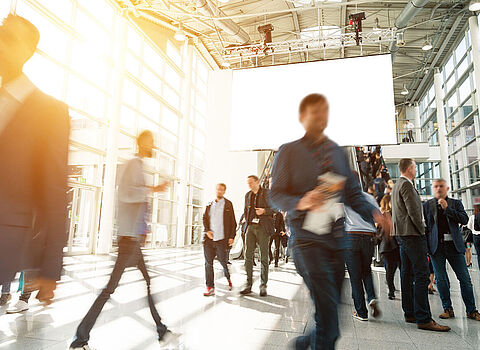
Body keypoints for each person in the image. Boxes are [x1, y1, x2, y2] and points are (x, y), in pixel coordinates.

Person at [269, 93, 391, 350]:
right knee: (330, 323)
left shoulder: (336, 151)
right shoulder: (288, 151)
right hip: (306, 242)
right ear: (302, 117)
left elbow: (353, 193)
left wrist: (376, 214)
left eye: (324, 111)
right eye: (314, 111)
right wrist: (301, 201)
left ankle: (301, 345)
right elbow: (275, 195)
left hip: (337, 242)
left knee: (330, 316)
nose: (321, 116)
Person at [70, 131, 176, 350]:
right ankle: (80, 339)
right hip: (128, 241)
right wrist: (152, 189)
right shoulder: (132, 164)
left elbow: (137, 202)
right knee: (110, 289)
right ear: (142, 143)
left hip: (133, 240)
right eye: (151, 142)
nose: (153, 145)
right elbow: (127, 194)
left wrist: (143, 230)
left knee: (146, 283)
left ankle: (162, 331)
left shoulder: (139, 166)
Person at [0, 15, 70, 305]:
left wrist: (50, 269)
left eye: (9, 39)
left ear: (28, 51)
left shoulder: (49, 111)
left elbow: (54, 192)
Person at [392, 158, 450, 332]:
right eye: (416, 167)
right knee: (422, 274)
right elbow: (414, 212)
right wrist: (423, 230)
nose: (416, 170)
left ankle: (410, 312)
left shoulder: (396, 186)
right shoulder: (407, 185)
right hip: (412, 235)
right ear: (410, 168)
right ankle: (424, 318)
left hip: (402, 235)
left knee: (407, 273)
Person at [423, 179, 480, 321]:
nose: (438, 188)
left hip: (454, 246)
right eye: (435, 186)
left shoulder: (455, 203)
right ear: (433, 188)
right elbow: (426, 228)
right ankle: (447, 308)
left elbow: (465, 220)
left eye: (441, 186)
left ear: (446, 188)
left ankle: (471, 310)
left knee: (465, 279)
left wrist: (447, 209)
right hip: (437, 247)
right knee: (441, 279)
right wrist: (427, 248)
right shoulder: (427, 205)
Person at [344, 180, 381, 321]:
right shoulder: (369, 197)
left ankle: (361, 312)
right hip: (369, 237)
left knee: (355, 276)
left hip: (351, 237)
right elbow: (377, 217)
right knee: (366, 270)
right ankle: (371, 297)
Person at [240, 175, 274, 297]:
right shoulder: (247, 195)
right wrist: (246, 224)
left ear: (257, 182)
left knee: (264, 257)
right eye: (247, 183)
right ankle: (248, 284)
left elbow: (275, 208)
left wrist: (264, 211)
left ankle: (263, 285)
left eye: (251, 182)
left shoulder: (267, 193)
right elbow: (245, 210)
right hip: (250, 227)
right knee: (248, 256)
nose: (249, 185)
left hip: (263, 227)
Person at [202, 183, 236, 296]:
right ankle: (210, 287)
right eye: (217, 189)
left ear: (224, 191)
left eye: (221, 190)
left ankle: (228, 277)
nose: (219, 191)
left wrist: (232, 236)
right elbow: (204, 218)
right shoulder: (209, 204)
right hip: (209, 239)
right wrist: (207, 230)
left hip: (221, 239)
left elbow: (233, 222)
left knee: (222, 261)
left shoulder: (228, 204)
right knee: (208, 264)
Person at [378, 194, 400, 300]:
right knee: (399, 268)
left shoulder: (381, 215)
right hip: (394, 245)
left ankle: (391, 291)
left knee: (389, 270)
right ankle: (393, 290)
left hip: (384, 247)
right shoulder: (393, 214)